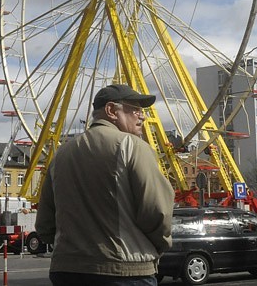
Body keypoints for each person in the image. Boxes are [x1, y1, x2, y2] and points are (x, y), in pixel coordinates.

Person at [36, 84, 176, 286]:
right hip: (124, 270)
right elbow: (157, 211)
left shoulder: (61, 155)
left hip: (67, 270)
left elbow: (45, 224)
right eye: (135, 109)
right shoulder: (132, 146)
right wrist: (159, 246)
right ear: (111, 110)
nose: (142, 116)